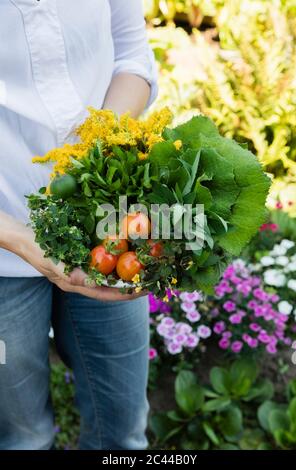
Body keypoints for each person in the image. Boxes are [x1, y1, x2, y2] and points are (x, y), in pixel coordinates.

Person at [0, 0, 158, 450]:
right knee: (21, 437)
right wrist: (19, 239)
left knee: (123, 430)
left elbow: (131, 52)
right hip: (1, 252)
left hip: (104, 226)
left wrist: (101, 141)